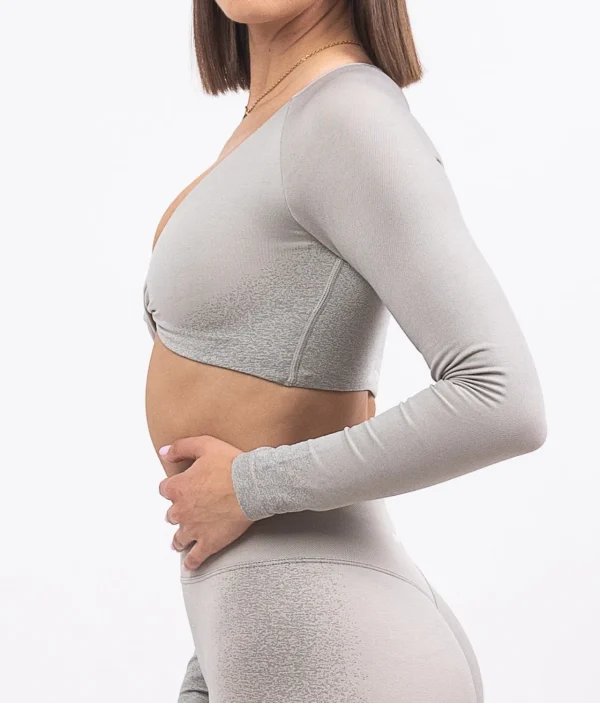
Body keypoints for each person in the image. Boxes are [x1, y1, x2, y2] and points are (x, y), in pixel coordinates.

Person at [142, 1, 547, 701]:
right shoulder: (279, 114)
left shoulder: (346, 114)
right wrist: (214, 656)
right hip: (284, 627)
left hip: (329, 633)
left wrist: (249, 488)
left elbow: (502, 399)